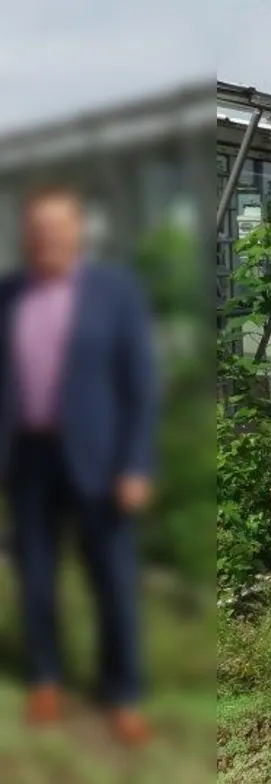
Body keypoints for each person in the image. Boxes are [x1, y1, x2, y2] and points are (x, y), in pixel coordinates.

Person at [0, 183, 158, 746]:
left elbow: (140, 385)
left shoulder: (114, 292)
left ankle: (123, 694)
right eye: (39, 228)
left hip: (100, 457)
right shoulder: (9, 293)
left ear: (79, 230)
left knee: (113, 580)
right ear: (28, 233)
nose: (49, 237)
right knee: (36, 577)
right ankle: (46, 678)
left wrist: (137, 464)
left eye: (60, 226)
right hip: (28, 458)